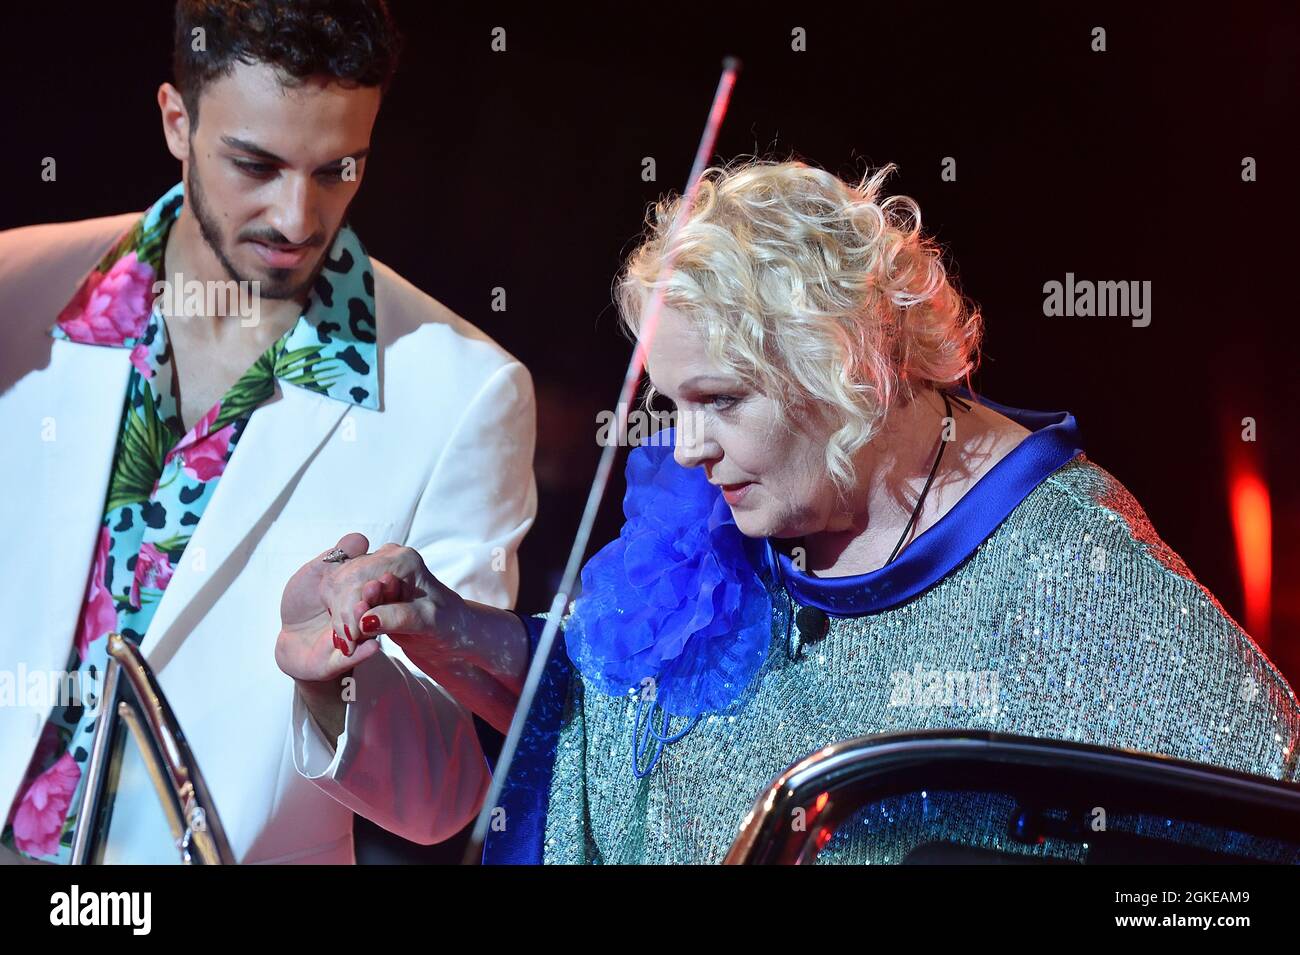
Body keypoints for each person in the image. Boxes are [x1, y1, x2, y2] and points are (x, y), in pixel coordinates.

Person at [287, 159, 1300, 864]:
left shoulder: (1065, 562)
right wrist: (446, 626)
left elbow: (1258, 824)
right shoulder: (717, 518)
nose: (684, 449)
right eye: (671, 405)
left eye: (719, 401)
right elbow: (603, 721)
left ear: (849, 368)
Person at [0, 0, 535, 865]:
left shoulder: (465, 391)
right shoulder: (16, 294)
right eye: (256, 164)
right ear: (177, 119)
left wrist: (337, 683)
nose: (296, 217)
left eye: (337, 169)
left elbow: (450, 792)